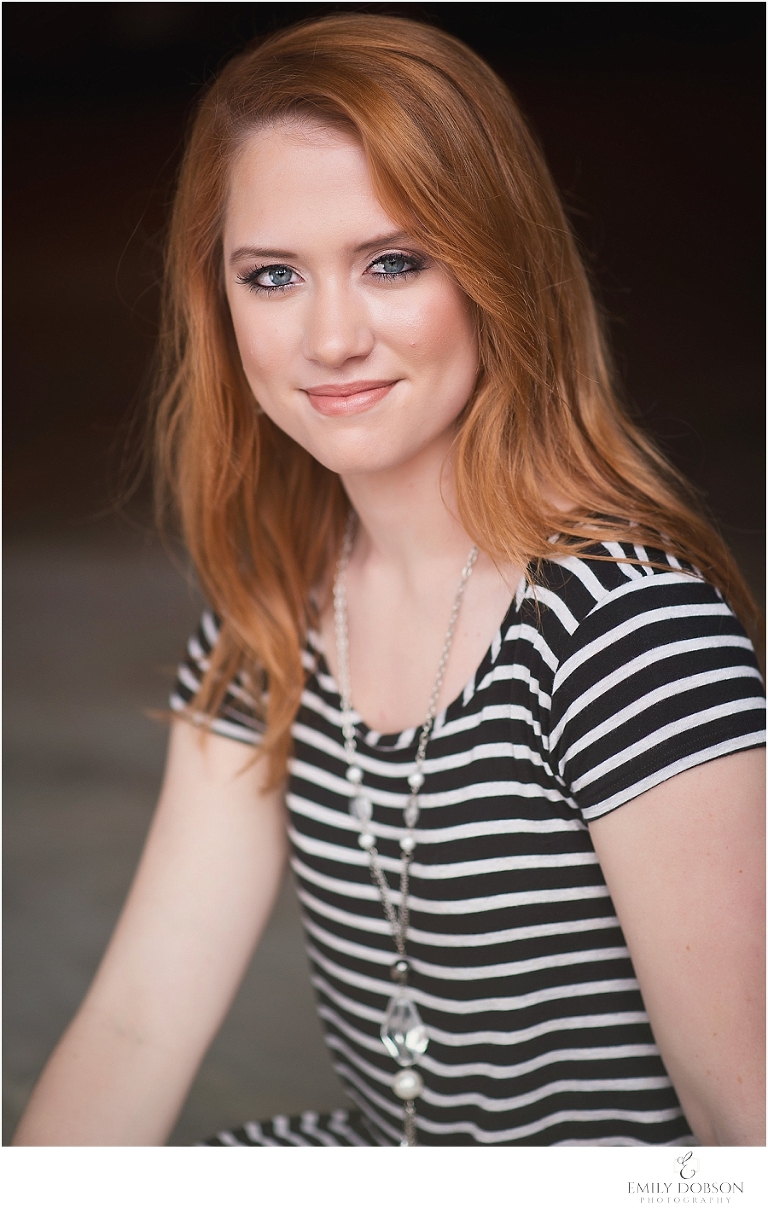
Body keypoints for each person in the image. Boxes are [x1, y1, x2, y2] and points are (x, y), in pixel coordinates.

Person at [14, 13, 765, 1148]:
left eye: (393, 262)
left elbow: (744, 1113)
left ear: (498, 268)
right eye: (272, 275)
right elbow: (135, 1022)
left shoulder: (627, 632)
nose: (329, 337)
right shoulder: (269, 622)